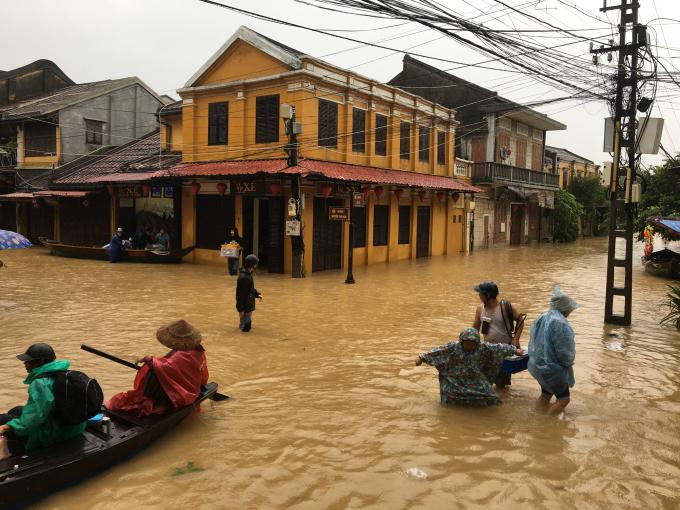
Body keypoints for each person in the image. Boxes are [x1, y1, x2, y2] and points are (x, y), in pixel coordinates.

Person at [0, 344, 87, 458]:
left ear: (39, 362)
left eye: (28, 361)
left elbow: (29, 423)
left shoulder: (41, 383)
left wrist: (5, 427)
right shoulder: (62, 373)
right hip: (73, 428)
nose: (25, 364)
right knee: (15, 410)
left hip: (56, 433)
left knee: (4, 421)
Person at [106, 320, 209, 417]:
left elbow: (167, 367)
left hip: (182, 392)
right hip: (190, 388)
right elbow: (202, 376)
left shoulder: (183, 355)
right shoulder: (198, 352)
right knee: (156, 368)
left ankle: (162, 404)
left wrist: (150, 360)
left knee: (154, 371)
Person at [415, 327, 523, 406]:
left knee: (492, 398)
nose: (469, 345)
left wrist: (515, 350)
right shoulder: (454, 347)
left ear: (477, 342)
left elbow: (499, 348)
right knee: (449, 398)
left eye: (472, 343)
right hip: (455, 379)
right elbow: (438, 352)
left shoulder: (483, 347)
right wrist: (422, 357)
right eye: (466, 342)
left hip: (475, 379)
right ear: (461, 341)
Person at [528, 286, 579, 416]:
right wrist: (567, 365)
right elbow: (565, 353)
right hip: (552, 369)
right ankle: (547, 424)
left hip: (537, 365)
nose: (570, 312)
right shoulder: (560, 323)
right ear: (565, 308)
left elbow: (533, 341)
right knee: (564, 399)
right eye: (569, 309)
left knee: (546, 393)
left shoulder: (542, 316)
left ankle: (536, 415)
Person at [472, 281, 526, 389]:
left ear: (487, 295)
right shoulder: (480, 309)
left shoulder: (505, 307)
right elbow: (475, 329)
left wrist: (516, 339)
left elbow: (520, 320)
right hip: (487, 350)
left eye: (480, 294)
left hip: (504, 351)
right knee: (484, 381)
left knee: (501, 384)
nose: (479, 296)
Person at [236, 254, 262, 333]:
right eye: (255, 264)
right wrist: (241, 309)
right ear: (252, 265)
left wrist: (257, 294)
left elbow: (249, 289)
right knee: (245, 330)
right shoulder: (244, 277)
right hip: (245, 308)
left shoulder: (248, 275)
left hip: (248, 305)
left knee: (246, 328)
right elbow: (239, 295)